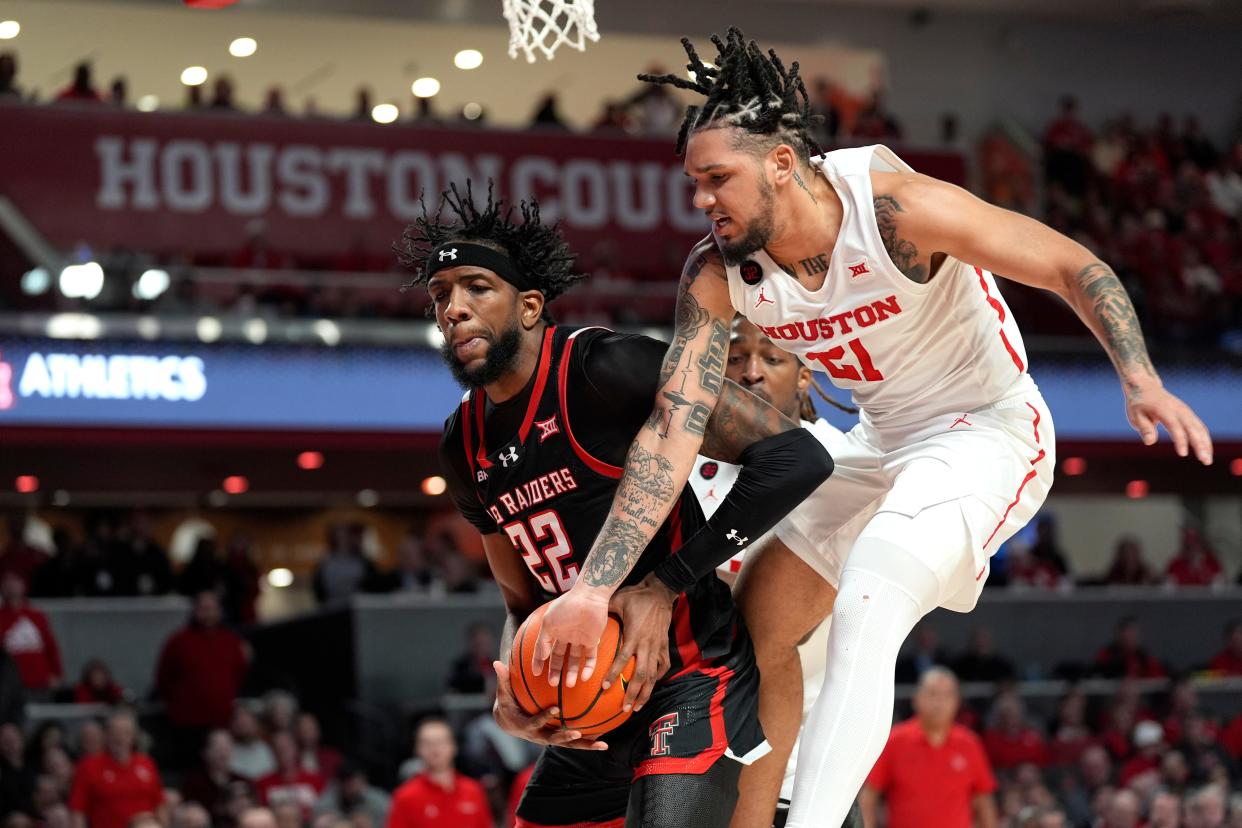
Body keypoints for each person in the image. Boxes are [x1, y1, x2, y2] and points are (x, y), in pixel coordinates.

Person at [531, 26, 1211, 828]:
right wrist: (594, 586)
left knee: (870, 595)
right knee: (759, 626)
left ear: (782, 164)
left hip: (986, 432)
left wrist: (1139, 377)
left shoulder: (893, 210)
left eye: (717, 179)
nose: (701, 201)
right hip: (881, 441)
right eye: (693, 183)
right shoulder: (718, 275)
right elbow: (671, 431)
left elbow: (1069, 263)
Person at [404, 181, 833, 825]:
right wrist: (515, 688)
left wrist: (664, 586)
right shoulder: (461, 447)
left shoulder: (605, 368)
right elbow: (521, 602)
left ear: (528, 307)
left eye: (476, 288)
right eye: (441, 296)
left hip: (692, 671)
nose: (454, 309)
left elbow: (798, 458)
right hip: (589, 704)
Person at [686, 315, 858, 827]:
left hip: (808, 763)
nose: (751, 372)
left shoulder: (846, 465)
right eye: (735, 358)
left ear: (806, 374)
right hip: (697, 757)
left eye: (772, 358)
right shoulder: (679, 468)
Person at [860, 667, 998, 828]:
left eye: (947, 695)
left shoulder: (970, 744)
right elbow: (869, 798)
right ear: (917, 698)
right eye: (932, 694)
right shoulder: (894, 741)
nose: (939, 703)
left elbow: (985, 803)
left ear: (957, 702)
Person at [155, 590, 250, 766]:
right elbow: (163, 678)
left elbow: (239, 675)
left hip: (222, 722)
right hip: (187, 726)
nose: (208, 613)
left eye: (212, 608)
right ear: (195, 611)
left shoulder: (231, 641)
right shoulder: (178, 642)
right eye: (203, 608)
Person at [68, 710, 164, 828]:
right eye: (114, 732)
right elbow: (78, 811)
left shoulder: (146, 763)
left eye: (125, 733)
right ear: (106, 735)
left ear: (133, 736)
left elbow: (160, 805)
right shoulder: (88, 766)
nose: (120, 738)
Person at [388, 718, 490, 828]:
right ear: (417, 749)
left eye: (440, 742)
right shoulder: (405, 797)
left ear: (453, 746)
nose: (435, 749)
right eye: (427, 743)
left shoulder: (473, 791)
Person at [0, 571, 62, 693]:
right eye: (8, 583)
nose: (12, 586)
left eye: (15, 582)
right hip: (10, 683)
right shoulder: (1, 617)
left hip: (39, 680)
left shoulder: (36, 615)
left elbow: (51, 646)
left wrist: (56, 673)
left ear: (23, 586)